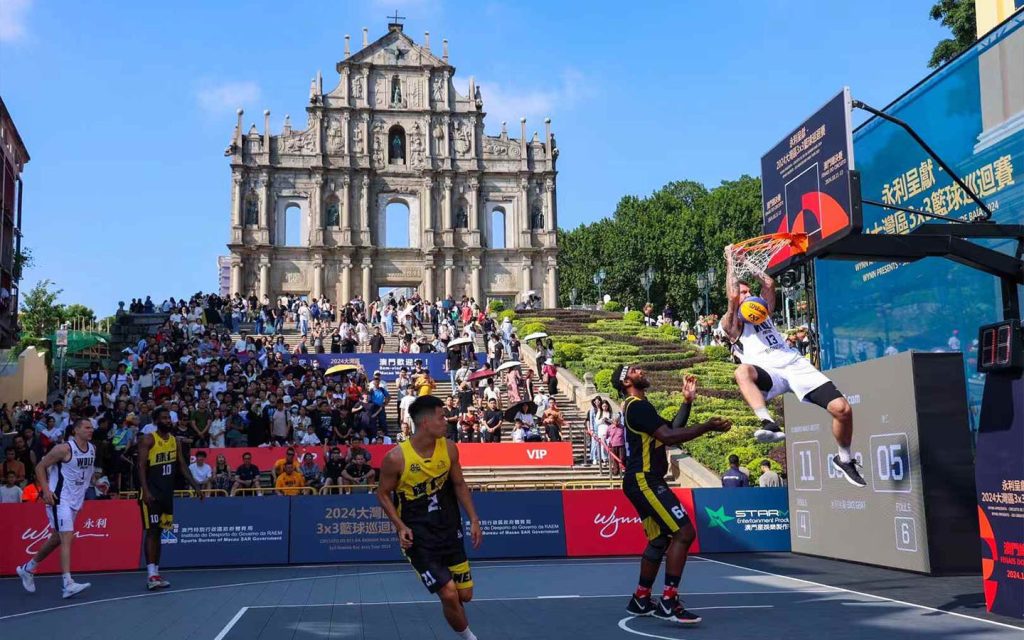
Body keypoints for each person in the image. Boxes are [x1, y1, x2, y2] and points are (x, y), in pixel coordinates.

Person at [721, 256, 864, 487]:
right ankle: (767, 422)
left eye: (748, 292)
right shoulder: (731, 324)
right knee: (741, 372)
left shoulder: (763, 311)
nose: (746, 296)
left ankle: (845, 458)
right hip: (767, 372)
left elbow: (767, 283)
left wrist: (746, 261)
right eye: (742, 293)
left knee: (843, 409)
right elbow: (732, 295)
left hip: (795, 365)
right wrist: (730, 262)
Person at [613, 365, 731, 625]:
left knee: (658, 541)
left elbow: (672, 429)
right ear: (625, 382)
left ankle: (641, 598)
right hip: (645, 479)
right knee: (684, 533)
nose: (641, 370)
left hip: (640, 480)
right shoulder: (636, 406)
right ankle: (668, 601)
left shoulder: (641, 407)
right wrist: (707, 426)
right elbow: (669, 437)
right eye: (634, 370)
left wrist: (686, 403)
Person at [376, 395, 483, 640]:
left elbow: (459, 484)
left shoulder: (450, 448)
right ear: (425, 423)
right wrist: (399, 525)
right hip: (419, 538)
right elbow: (382, 493)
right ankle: (470, 638)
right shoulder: (396, 458)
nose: (446, 421)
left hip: (449, 530)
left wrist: (474, 519)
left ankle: (456, 613)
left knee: (463, 595)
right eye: (441, 417)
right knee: (447, 593)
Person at [15, 418, 97, 598]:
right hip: (59, 499)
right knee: (67, 535)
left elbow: (87, 471)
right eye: (87, 427)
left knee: (57, 539)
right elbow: (40, 467)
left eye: (92, 427)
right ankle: (68, 583)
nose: (91, 430)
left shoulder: (92, 449)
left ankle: (28, 569)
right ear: (76, 430)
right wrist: (45, 491)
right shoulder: (63, 449)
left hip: (75, 499)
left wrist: (92, 484)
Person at [137, 407, 205, 590]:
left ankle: (156, 573)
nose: (168, 421)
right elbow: (141, 467)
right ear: (156, 421)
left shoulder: (174, 441)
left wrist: (196, 486)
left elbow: (182, 466)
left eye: (169, 418)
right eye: (164, 418)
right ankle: (151, 575)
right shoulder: (149, 439)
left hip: (166, 493)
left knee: (159, 533)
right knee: (151, 531)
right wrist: (145, 491)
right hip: (151, 493)